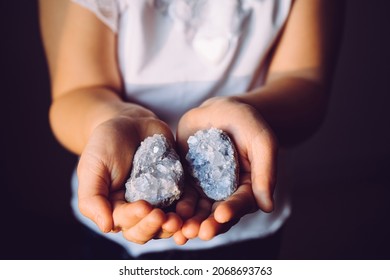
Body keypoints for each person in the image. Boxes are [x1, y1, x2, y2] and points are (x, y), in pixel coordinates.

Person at [39, 0, 344, 259]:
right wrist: (116, 120)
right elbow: (75, 94)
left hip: (246, 228)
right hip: (113, 224)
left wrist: (246, 113)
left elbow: (306, 85)